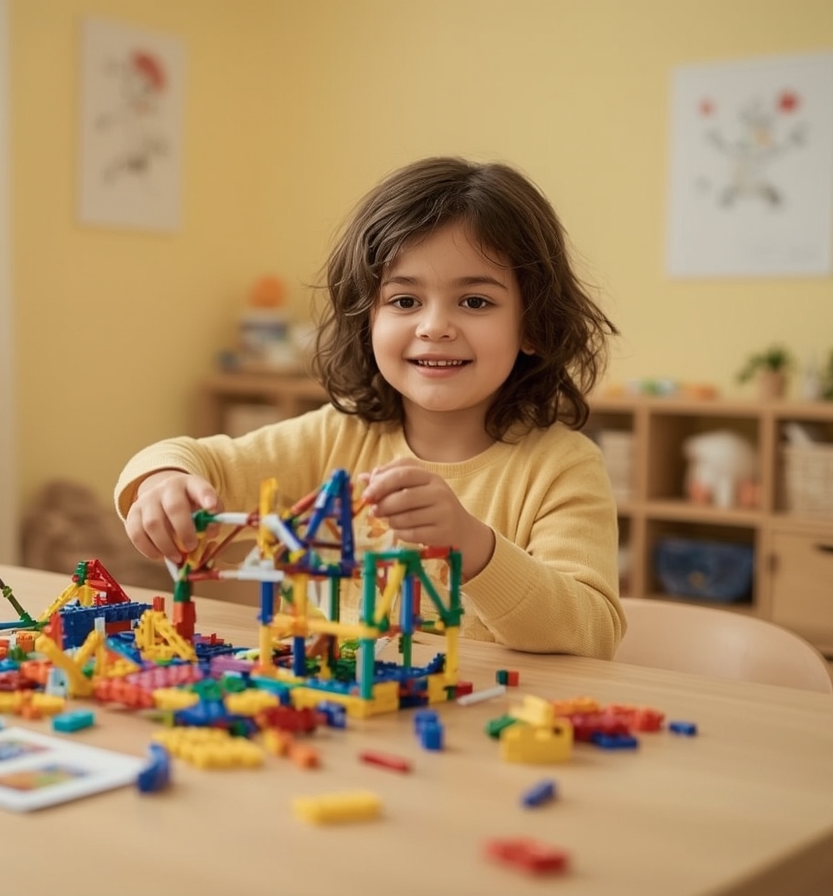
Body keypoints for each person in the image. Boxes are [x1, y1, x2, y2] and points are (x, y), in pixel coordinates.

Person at [114, 157, 623, 658]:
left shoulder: (564, 466)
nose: (434, 327)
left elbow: (591, 629)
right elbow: (199, 460)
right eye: (405, 301)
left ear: (533, 325)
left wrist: (473, 545)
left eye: (475, 302)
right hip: (332, 707)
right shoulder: (332, 438)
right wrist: (162, 482)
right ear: (367, 320)